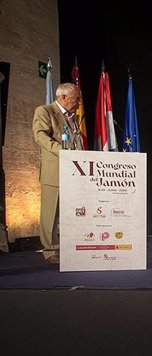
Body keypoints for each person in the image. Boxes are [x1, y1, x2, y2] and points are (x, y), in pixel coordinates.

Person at [32, 82, 83, 264]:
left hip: (73, 172)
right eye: (76, 98)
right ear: (62, 98)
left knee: (71, 212)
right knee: (50, 213)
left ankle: (70, 247)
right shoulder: (45, 111)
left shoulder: (73, 117)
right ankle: (50, 251)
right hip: (54, 172)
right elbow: (40, 136)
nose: (79, 102)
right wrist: (62, 151)